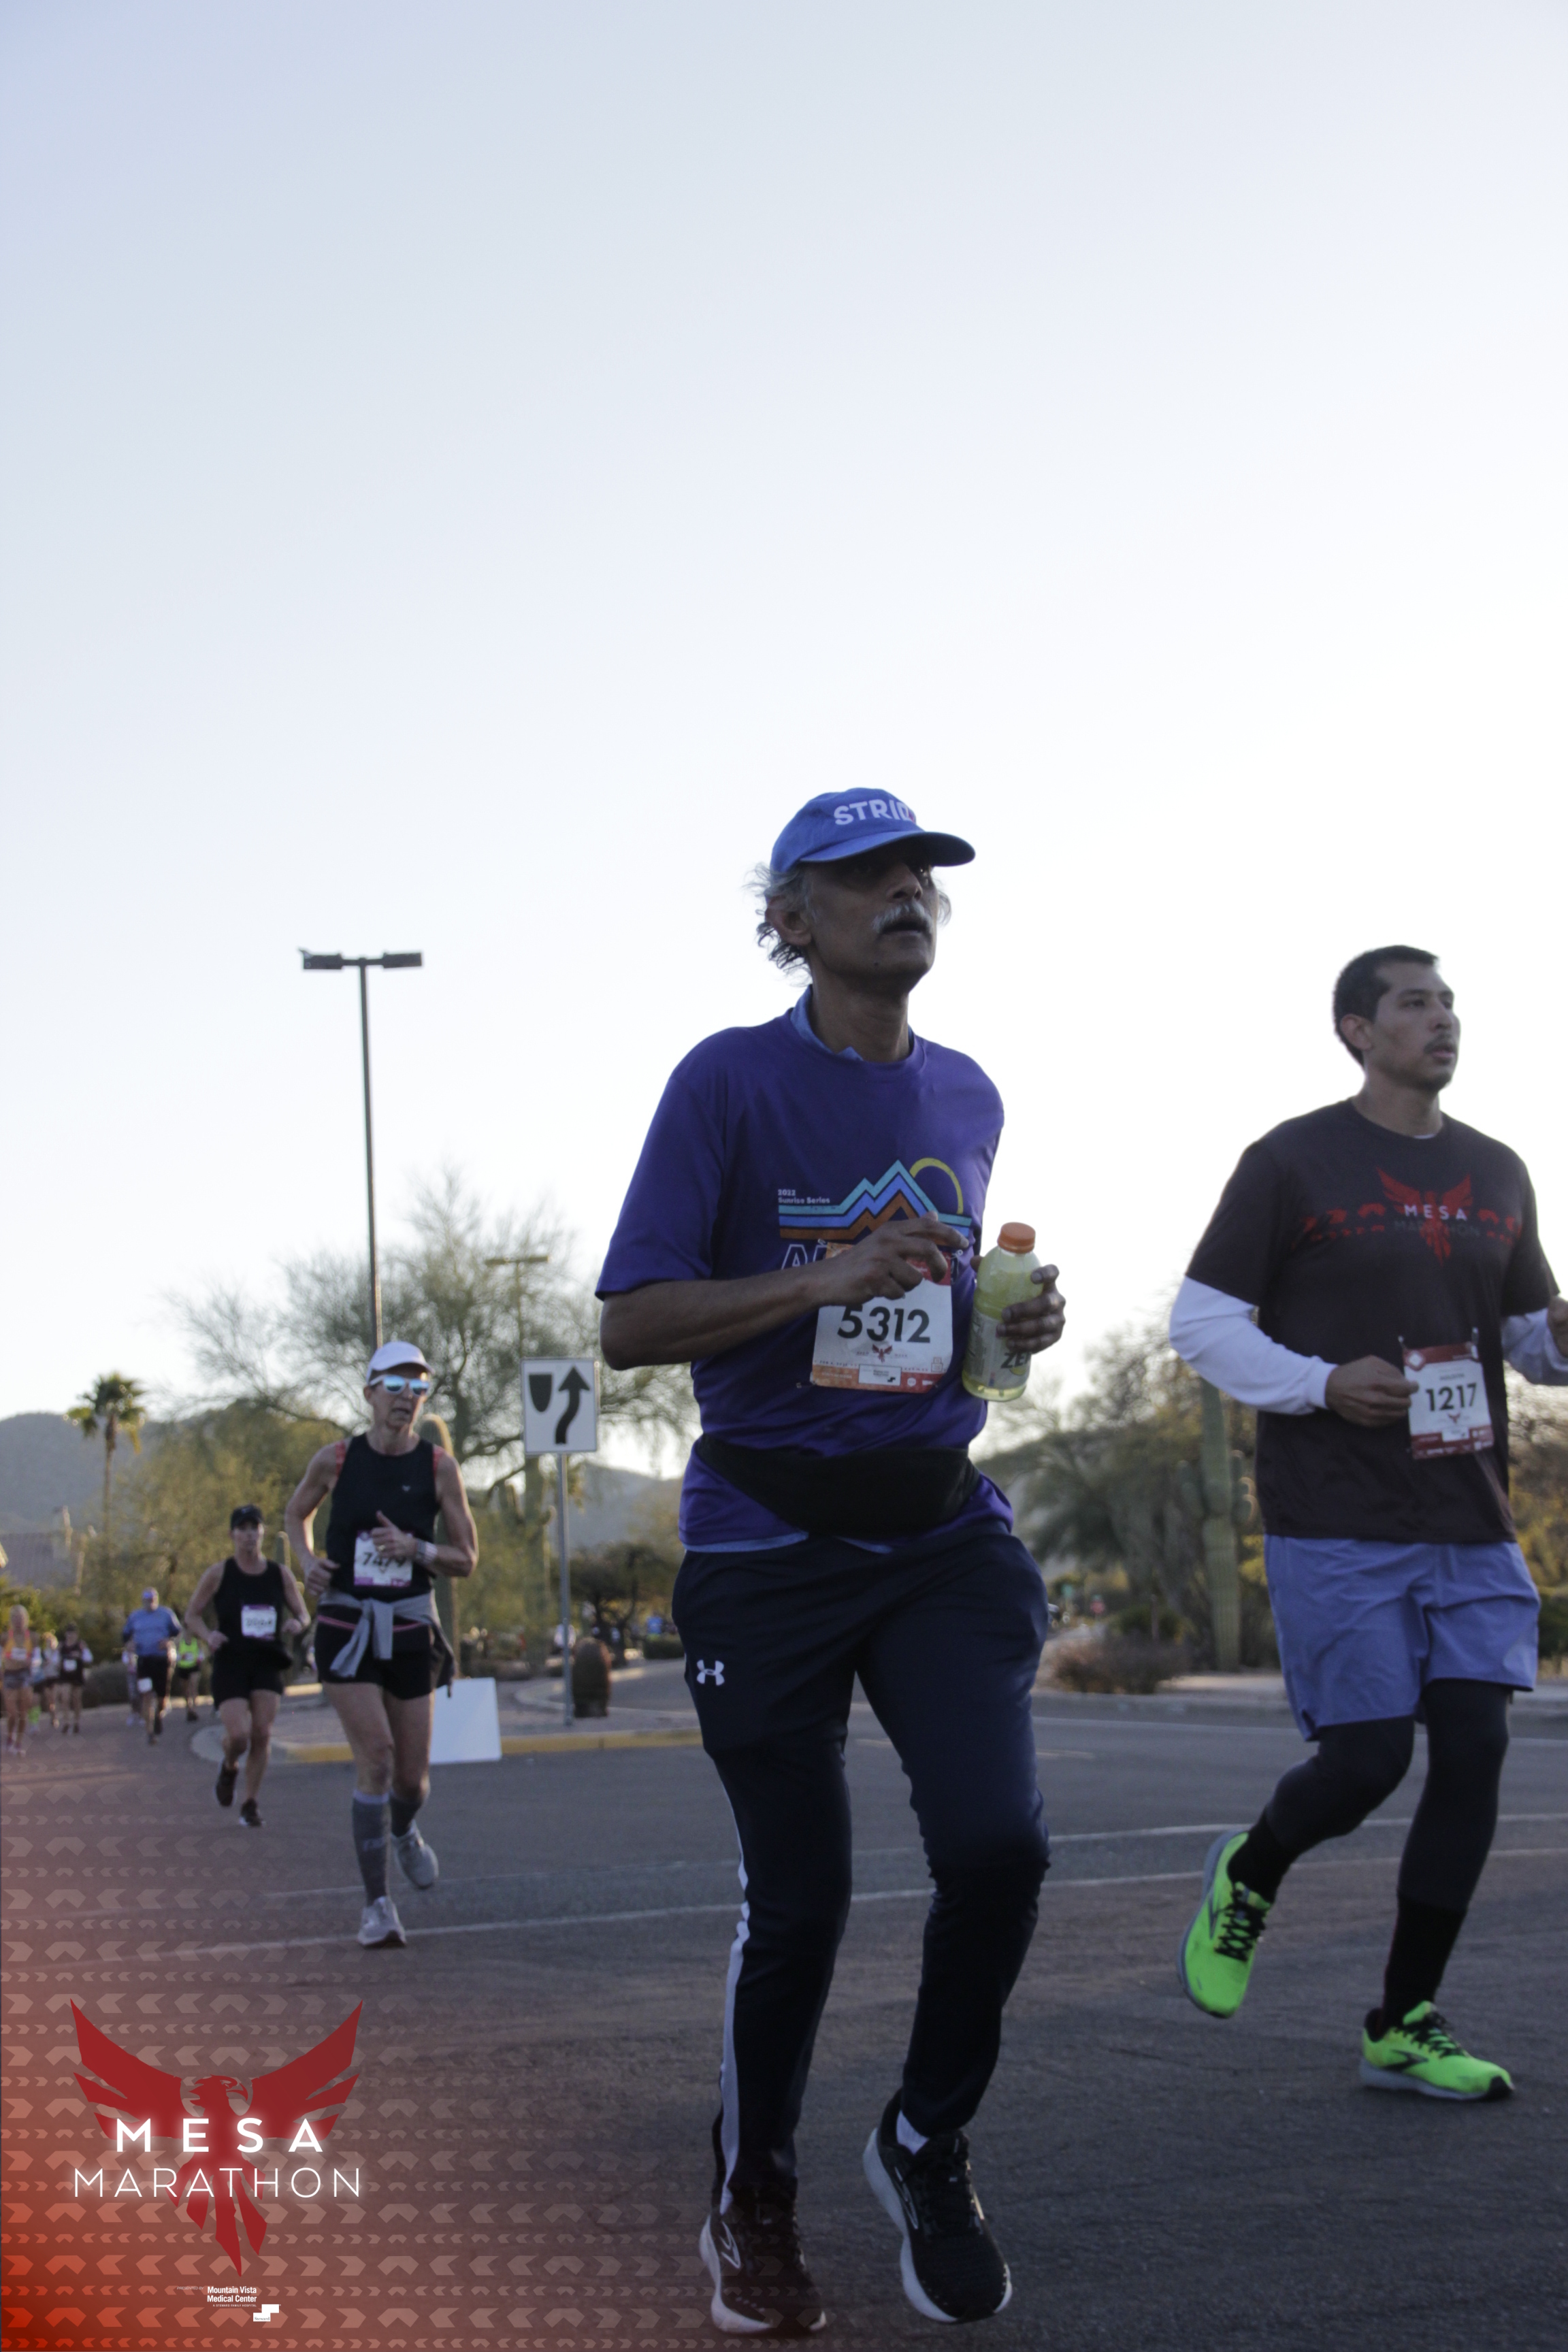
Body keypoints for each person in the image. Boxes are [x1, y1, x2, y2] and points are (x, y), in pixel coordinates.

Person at [598, 792, 1066, 2333]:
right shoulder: (726, 1080)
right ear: (789, 918)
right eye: (865, 877)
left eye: (921, 872)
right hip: (766, 1544)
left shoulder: (968, 1090)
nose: (905, 892)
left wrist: (1008, 1324)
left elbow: (945, 1327)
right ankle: (754, 2192)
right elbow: (631, 1322)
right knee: (801, 1904)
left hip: (937, 1530)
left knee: (998, 1847)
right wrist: (826, 1274)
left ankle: (925, 2137)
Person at [1171, 945, 1568, 2100]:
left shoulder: (1497, 1169)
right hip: (1335, 1511)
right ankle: (1251, 1869)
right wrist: (1319, 1383)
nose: (1441, 1019)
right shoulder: (1292, 1160)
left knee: (1476, 1749)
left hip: (1469, 1509)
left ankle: (1402, 2022)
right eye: (1414, 1002)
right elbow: (1201, 1324)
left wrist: (1557, 1336)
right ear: (1355, 1028)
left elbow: (1527, 1343)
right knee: (1366, 1761)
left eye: (1448, 1002)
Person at [284, 1341, 478, 1948]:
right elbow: (294, 1516)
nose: (406, 1398)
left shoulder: (439, 1467)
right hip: (346, 1621)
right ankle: (377, 1906)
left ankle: (403, 1829)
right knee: (377, 1755)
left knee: (411, 1781)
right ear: (369, 1392)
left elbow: (466, 1558)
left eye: (418, 1388)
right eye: (394, 1385)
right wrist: (307, 1564)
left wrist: (416, 1549)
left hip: (411, 1624)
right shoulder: (336, 1460)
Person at [184, 1505, 310, 1829]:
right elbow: (192, 1615)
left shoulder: (279, 1574)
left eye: (255, 1528)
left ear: (262, 1532)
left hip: (267, 1660)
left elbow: (303, 1613)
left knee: (262, 1734)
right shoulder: (219, 1573)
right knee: (239, 1736)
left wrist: (298, 1623)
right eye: (242, 1529)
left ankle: (250, 1803)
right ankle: (229, 1766)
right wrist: (208, 1635)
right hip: (231, 1662)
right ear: (232, 1535)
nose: (249, 1535)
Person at [120, 1588, 182, 1745]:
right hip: (144, 1660)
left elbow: (178, 1633)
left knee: (162, 1698)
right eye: (148, 1600)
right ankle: (150, 1732)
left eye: (153, 1599)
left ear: (157, 1599)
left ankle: (159, 1715)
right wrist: (129, 1645)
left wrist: (169, 1642)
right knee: (146, 1695)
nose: (151, 1602)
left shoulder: (166, 1614)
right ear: (143, 1601)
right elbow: (125, 1635)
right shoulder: (135, 1616)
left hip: (161, 1660)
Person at [3, 1605, 33, 1754]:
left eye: (21, 1618)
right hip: (9, 1676)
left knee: (23, 1713)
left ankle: (19, 1742)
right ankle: (10, 1736)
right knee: (12, 1714)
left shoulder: (31, 1637)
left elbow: (37, 1658)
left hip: (24, 1676)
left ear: (25, 1619)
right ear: (11, 1620)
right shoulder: (5, 1637)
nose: (18, 1621)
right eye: (15, 1618)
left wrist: (32, 1662)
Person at [56, 1624, 92, 1733]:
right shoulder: (62, 1646)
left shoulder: (80, 1646)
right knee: (65, 1698)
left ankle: (76, 1722)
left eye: (73, 1633)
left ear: (76, 1634)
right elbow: (55, 1661)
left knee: (77, 1700)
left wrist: (81, 1654)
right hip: (65, 1676)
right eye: (69, 1633)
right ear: (66, 1634)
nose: (71, 1636)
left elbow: (89, 1659)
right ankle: (66, 1721)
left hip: (77, 1675)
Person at [172, 1622, 206, 1722]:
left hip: (194, 1666)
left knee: (194, 1686)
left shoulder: (197, 1641)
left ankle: (194, 1710)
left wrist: (199, 1658)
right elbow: (175, 1654)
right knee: (186, 1690)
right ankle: (188, 1707)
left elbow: (201, 1653)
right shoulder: (179, 1642)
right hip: (183, 1667)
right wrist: (180, 1657)